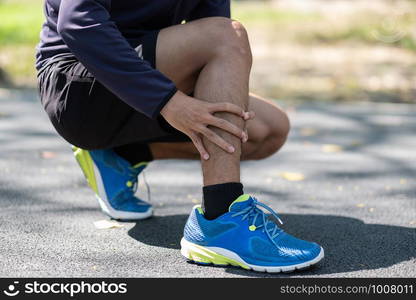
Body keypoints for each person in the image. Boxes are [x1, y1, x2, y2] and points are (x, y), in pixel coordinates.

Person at [36, 0, 324, 273]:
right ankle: (221, 218)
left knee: (268, 129)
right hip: (78, 88)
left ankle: (124, 154)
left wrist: (190, 96)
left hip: (144, 76)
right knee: (225, 35)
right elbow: (78, 23)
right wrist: (168, 101)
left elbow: (209, 31)